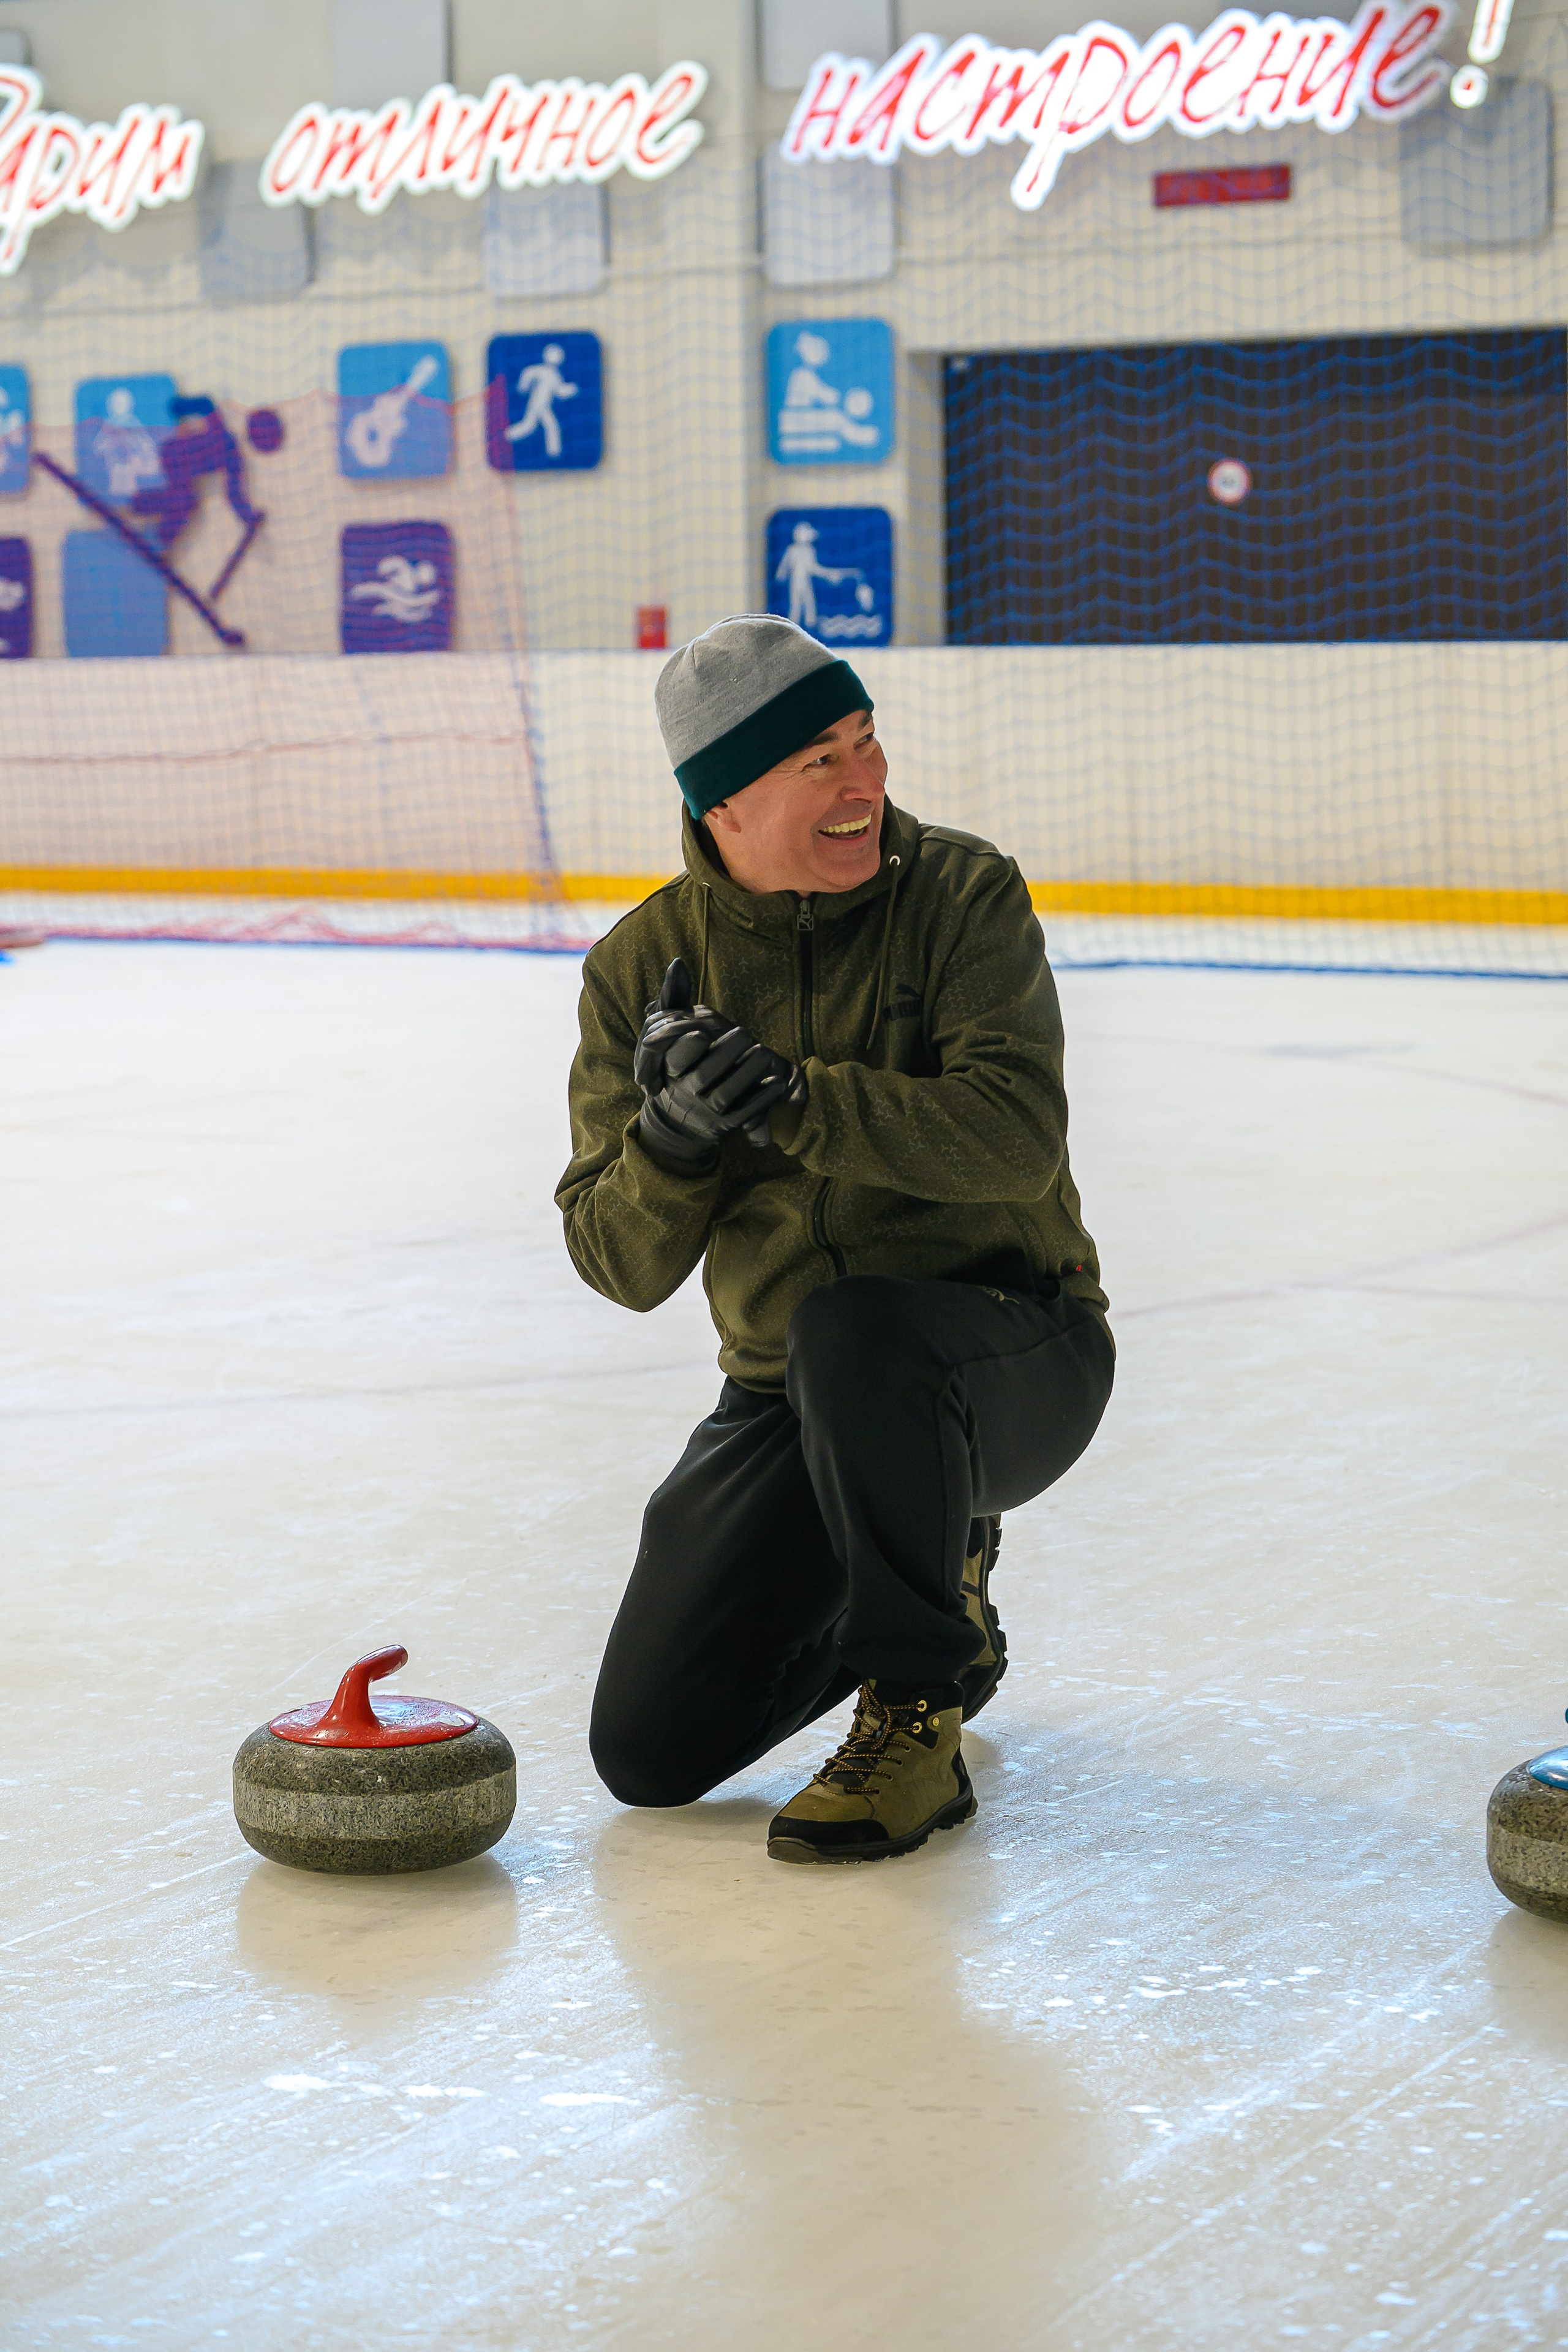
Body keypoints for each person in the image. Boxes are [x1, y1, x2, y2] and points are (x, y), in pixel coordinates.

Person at [557, 615, 1113, 1865]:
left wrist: (791, 1096)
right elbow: (615, 1260)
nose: (865, 782)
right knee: (650, 1749)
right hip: (788, 1398)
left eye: (864, 741)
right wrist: (677, 1143)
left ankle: (915, 1707)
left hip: (1012, 1353)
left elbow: (1010, 1139)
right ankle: (943, 1602)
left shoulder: (962, 896)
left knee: (855, 1325)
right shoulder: (641, 967)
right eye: (819, 760)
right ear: (723, 802)